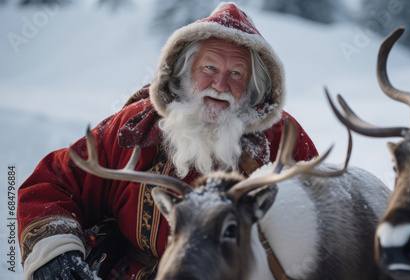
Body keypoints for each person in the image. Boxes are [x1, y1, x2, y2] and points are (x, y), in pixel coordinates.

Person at [18, 2, 318, 279]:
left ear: (253, 87)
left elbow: (323, 214)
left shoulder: (282, 137)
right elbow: (53, 184)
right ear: (185, 71)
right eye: (210, 68)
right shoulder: (135, 124)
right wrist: (56, 253)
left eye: (236, 73)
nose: (220, 84)